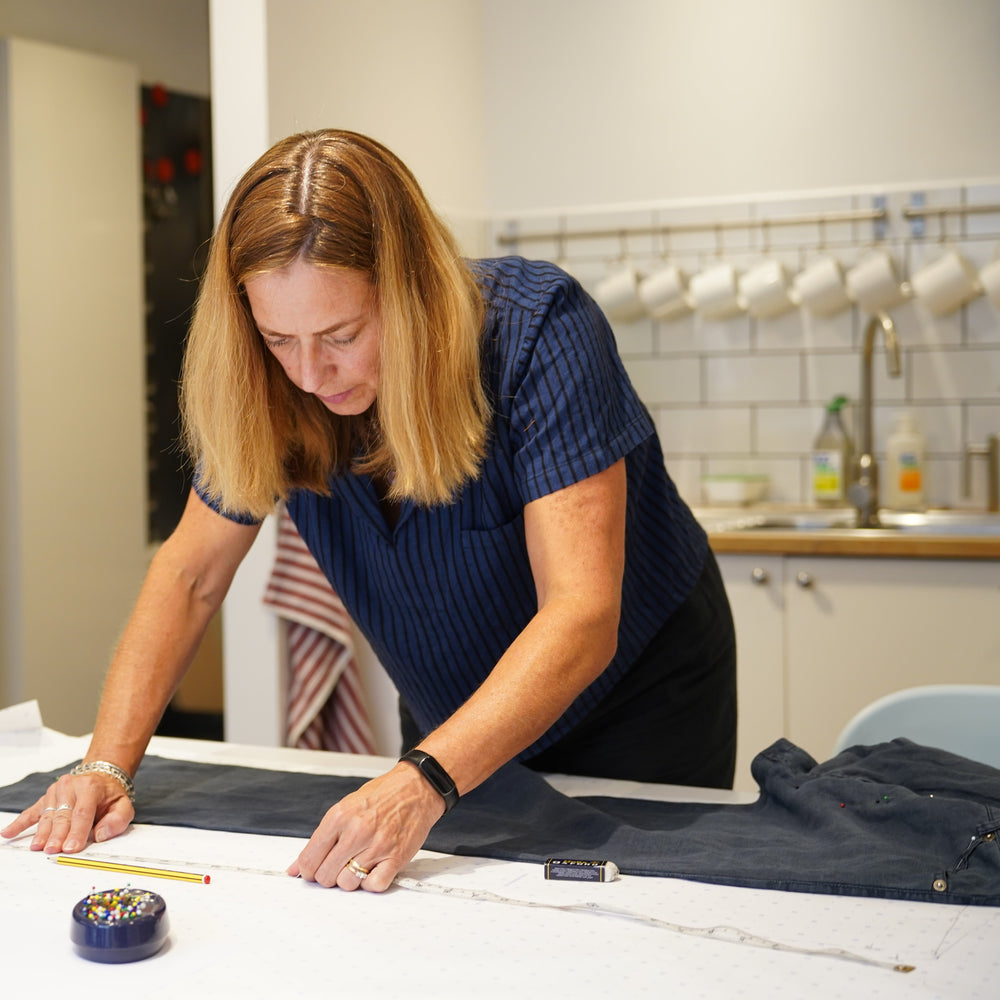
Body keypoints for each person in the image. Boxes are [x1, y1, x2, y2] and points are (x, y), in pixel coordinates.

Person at [2, 129, 735, 892]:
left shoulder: (539, 332)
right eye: (280, 337)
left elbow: (581, 613)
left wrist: (424, 779)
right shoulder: (270, 381)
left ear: (410, 287)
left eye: (342, 335)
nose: (311, 373)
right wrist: (105, 764)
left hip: (639, 701)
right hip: (452, 711)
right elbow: (190, 574)